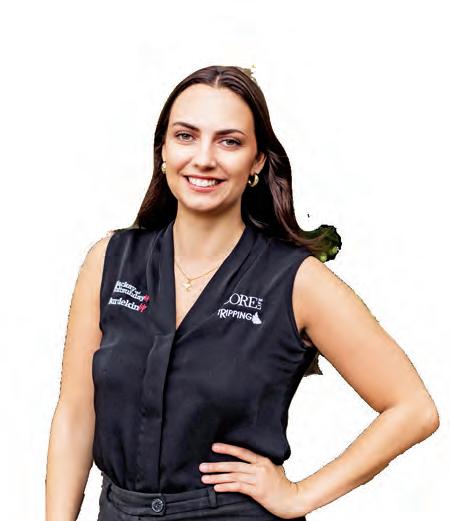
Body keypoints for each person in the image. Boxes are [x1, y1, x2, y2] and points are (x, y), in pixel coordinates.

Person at [45, 65, 440, 521]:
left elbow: (414, 409)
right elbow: (75, 414)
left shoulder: (297, 282)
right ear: (163, 151)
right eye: (186, 136)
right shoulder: (109, 261)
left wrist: (300, 494)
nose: (203, 158)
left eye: (229, 142)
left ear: (257, 162)